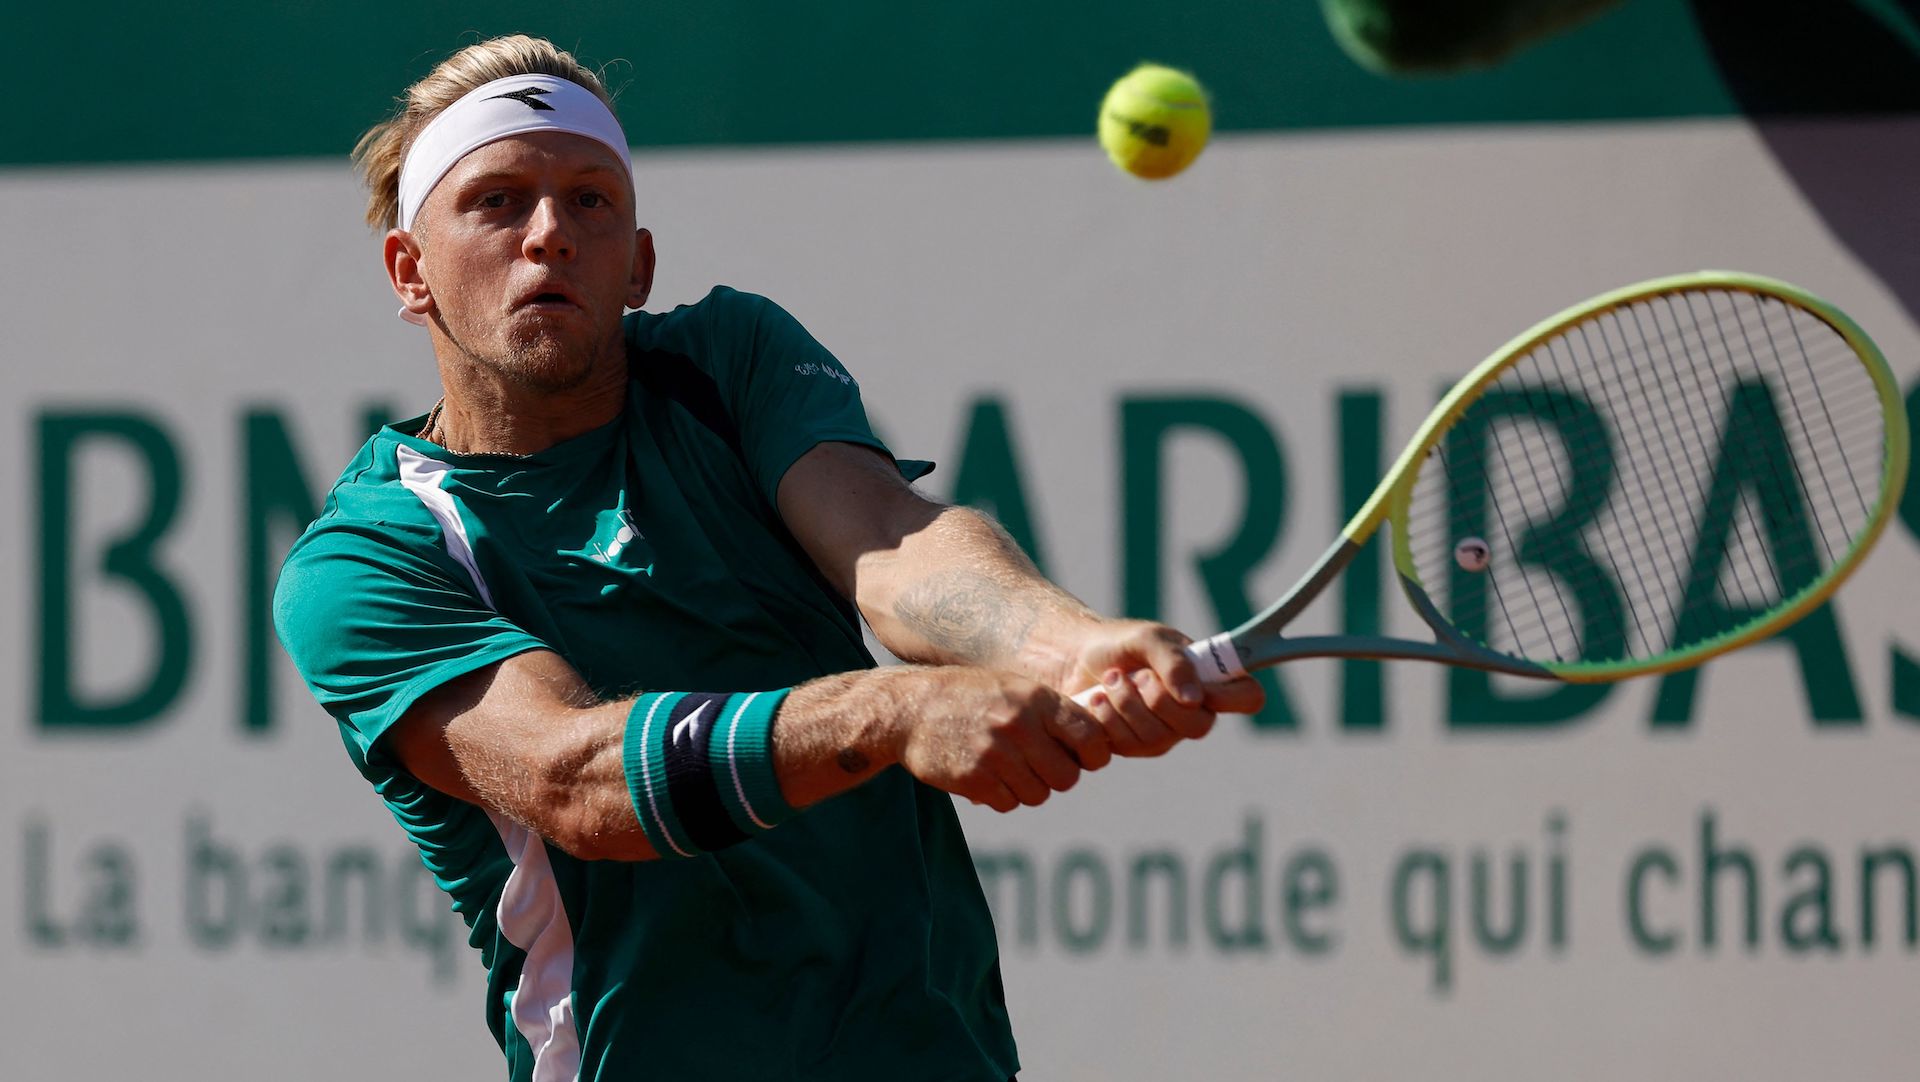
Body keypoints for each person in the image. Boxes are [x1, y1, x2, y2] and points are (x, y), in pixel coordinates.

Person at [274, 34, 1263, 1082]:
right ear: (409, 270)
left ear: (639, 264)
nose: (551, 234)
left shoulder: (726, 362)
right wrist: (896, 714)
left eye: (591, 200)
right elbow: (576, 780)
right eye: (498, 200)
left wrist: (1067, 641)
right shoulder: (366, 559)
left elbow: (890, 538)